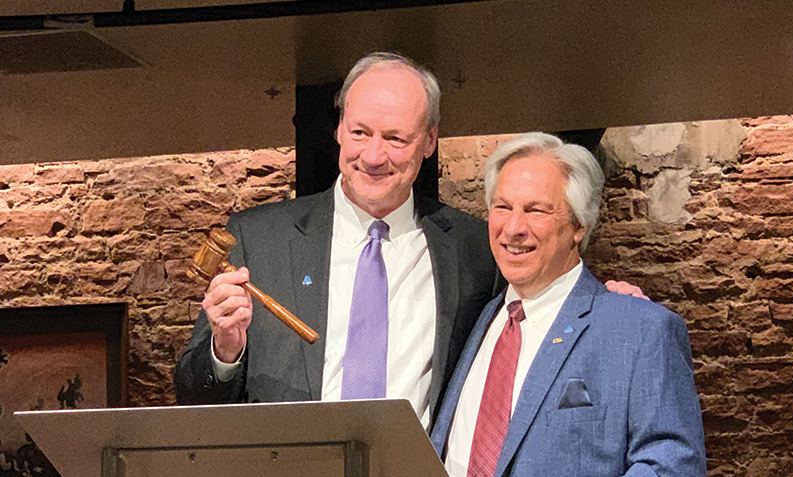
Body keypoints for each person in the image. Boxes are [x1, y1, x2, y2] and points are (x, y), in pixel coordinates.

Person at [174, 52, 645, 430]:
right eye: (359, 133)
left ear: (430, 139)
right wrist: (225, 352)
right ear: (339, 129)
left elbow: (541, 307)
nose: (374, 156)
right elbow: (193, 399)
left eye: (396, 138)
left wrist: (606, 305)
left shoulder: (473, 249)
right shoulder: (257, 239)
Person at [429, 133, 706, 476]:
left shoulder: (640, 331)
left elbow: (671, 466)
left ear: (579, 224)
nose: (514, 227)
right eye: (503, 207)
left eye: (536, 210)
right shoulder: (478, 318)